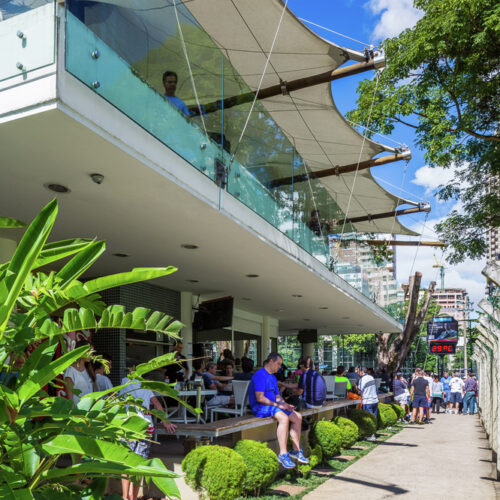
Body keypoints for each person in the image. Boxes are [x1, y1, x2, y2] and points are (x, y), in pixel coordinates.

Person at [119, 375, 176, 500]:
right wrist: (165, 421)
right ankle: (133, 497)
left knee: (126, 464)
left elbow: (118, 402)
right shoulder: (146, 385)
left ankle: (124, 496)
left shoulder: (125, 382)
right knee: (138, 466)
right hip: (145, 428)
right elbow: (156, 402)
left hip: (127, 427)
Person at [248, 353, 309, 469]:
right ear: (271, 361)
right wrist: (278, 405)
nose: (280, 367)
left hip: (273, 406)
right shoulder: (260, 375)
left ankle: (296, 451)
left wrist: (285, 405)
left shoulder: (272, 377)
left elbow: (277, 396)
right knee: (284, 418)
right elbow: (260, 398)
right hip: (260, 407)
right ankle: (283, 454)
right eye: (278, 364)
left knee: (297, 417)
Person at [358, 366, 379, 441]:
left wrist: (355, 387)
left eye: (358, 371)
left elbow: (359, 391)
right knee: (374, 418)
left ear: (361, 371)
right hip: (375, 400)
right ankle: (373, 433)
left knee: (368, 419)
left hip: (367, 401)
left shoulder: (362, 380)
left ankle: (371, 435)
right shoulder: (371, 377)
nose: (357, 373)